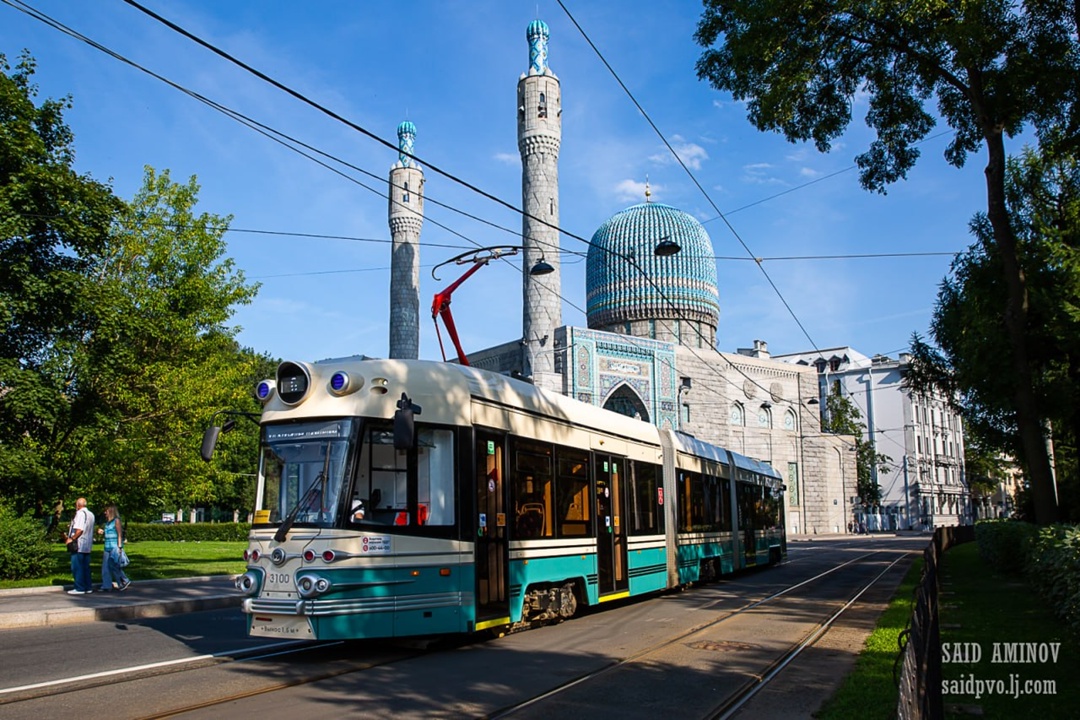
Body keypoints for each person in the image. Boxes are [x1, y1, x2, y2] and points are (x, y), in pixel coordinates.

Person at [96, 503, 130, 592]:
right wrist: (102, 532)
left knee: (114, 565)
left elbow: (119, 534)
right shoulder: (108, 522)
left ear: (111, 511)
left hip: (114, 546)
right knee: (105, 566)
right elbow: (109, 533)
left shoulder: (116, 521)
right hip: (107, 546)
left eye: (106, 511)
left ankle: (123, 581)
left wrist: (119, 547)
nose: (105, 513)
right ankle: (106, 585)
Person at [66, 498, 95, 595]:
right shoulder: (91, 514)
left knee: (77, 566)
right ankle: (88, 586)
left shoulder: (80, 514)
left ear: (78, 505)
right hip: (87, 544)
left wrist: (72, 538)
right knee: (85, 567)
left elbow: (79, 530)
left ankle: (79, 588)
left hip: (79, 544)